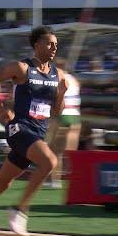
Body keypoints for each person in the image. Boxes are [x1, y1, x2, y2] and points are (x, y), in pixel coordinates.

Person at [0, 26, 68, 236]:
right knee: (49, 161)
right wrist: (0, 106)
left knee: (3, 182)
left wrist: (61, 94)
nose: (54, 48)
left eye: (56, 45)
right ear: (37, 45)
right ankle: (20, 209)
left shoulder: (57, 74)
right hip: (19, 128)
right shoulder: (21, 68)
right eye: (50, 43)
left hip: (37, 133)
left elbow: (56, 111)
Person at [45, 59, 81, 188]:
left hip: (62, 116)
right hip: (75, 117)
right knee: (71, 152)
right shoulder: (75, 80)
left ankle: (55, 181)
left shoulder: (56, 79)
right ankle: (78, 178)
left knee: (54, 150)